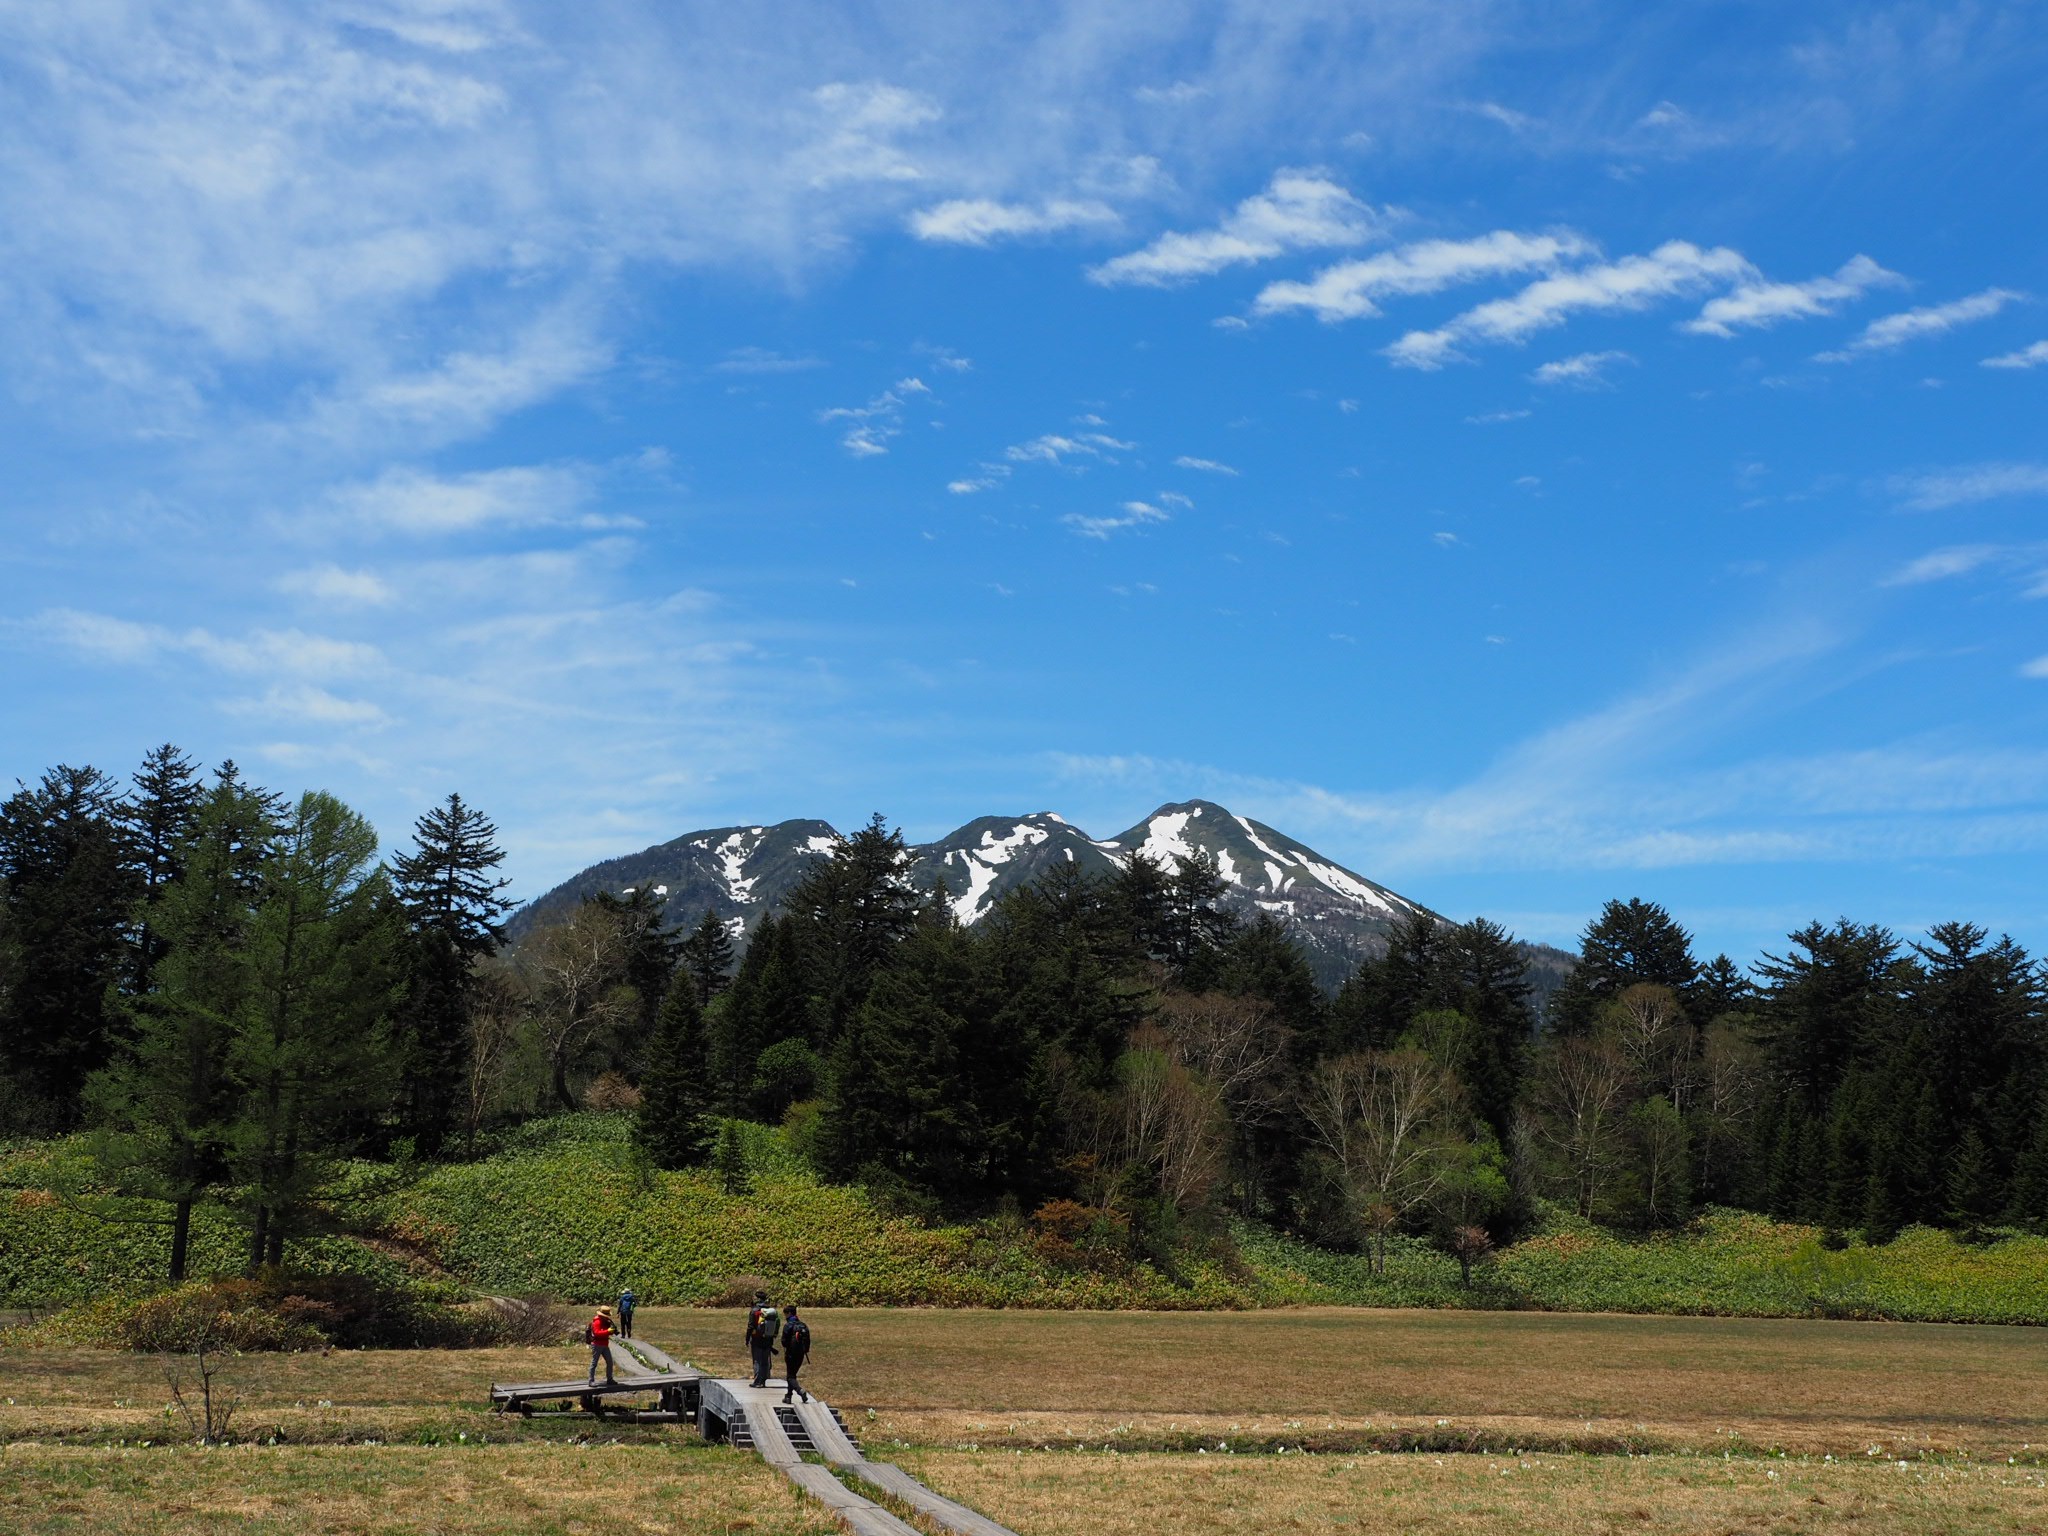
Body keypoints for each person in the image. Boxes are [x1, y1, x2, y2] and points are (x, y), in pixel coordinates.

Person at [744, 1288, 780, 1388]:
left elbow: (750, 1326)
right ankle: (763, 1381)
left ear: (757, 1299)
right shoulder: (771, 1311)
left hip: (757, 1339)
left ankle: (757, 1382)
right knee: (765, 1360)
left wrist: (747, 1339)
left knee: (757, 1360)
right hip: (768, 1339)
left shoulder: (754, 1311)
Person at [780, 1305, 811, 1404]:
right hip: (801, 1354)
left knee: (790, 1377)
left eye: (785, 1314)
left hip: (790, 1354)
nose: (785, 1316)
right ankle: (788, 1396)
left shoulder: (788, 1325)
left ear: (789, 1313)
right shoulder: (803, 1325)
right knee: (792, 1375)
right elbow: (808, 1341)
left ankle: (800, 1391)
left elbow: (784, 1342)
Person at [587, 1305, 618, 1387]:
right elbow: (597, 1333)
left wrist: (611, 1331)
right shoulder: (597, 1322)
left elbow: (605, 1331)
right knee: (594, 1363)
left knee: (610, 1362)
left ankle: (610, 1379)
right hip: (597, 1344)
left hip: (604, 1344)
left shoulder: (605, 1321)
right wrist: (607, 1331)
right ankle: (591, 1380)